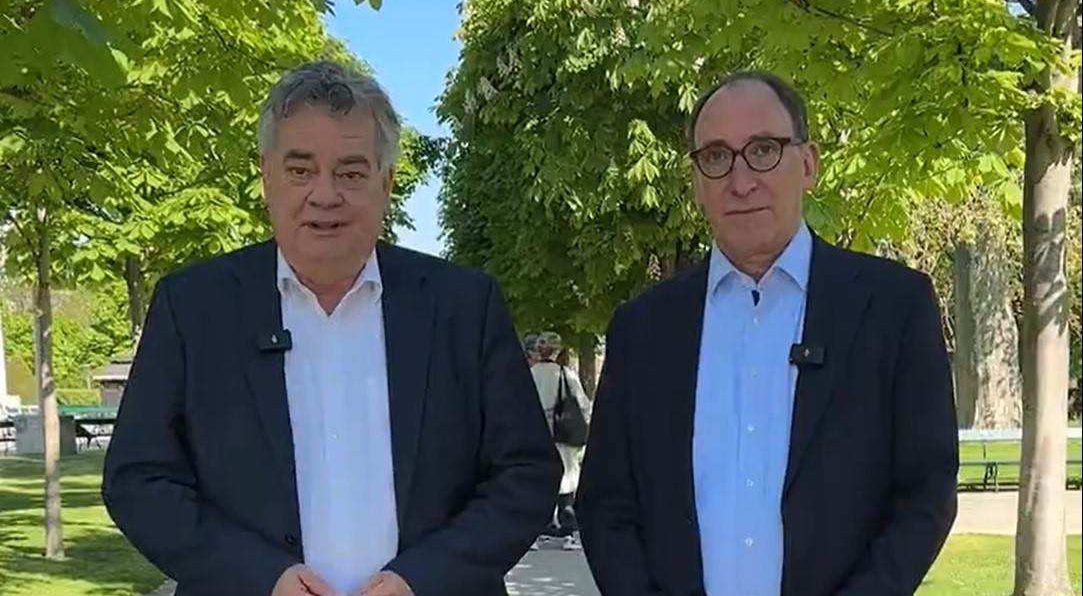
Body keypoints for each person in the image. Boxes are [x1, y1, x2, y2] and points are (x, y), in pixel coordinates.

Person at [101, 61, 562, 596]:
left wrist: (422, 579)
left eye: (351, 172)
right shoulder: (193, 308)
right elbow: (139, 479)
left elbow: (525, 474)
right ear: (267, 176)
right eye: (301, 170)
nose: (325, 194)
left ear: (386, 183)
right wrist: (260, 576)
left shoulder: (465, 306)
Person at [575, 70, 959, 596]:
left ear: (809, 163)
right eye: (716, 156)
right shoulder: (642, 330)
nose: (741, 181)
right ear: (696, 183)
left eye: (763, 150)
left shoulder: (893, 308)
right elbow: (606, 506)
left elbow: (925, 492)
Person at [529, 332, 591, 549]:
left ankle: (539, 531)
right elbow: (582, 403)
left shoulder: (529, 375)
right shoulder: (565, 374)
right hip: (563, 434)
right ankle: (568, 531)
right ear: (557, 351)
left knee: (539, 481)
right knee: (566, 481)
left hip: (537, 435)